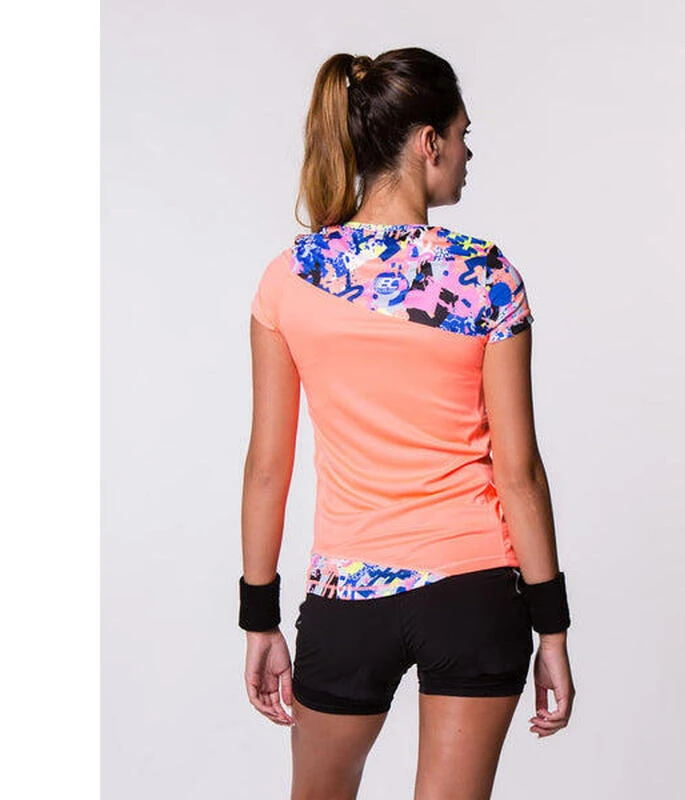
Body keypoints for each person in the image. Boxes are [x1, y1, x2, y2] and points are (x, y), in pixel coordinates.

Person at [239, 47, 576, 800]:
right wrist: (551, 627)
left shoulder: (289, 278)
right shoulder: (486, 276)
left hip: (348, 596)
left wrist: (259, 618)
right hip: (474, 589)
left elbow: (267, 467)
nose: (467, 153)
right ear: (428, 142)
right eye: (462, 134)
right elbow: (519, 472)